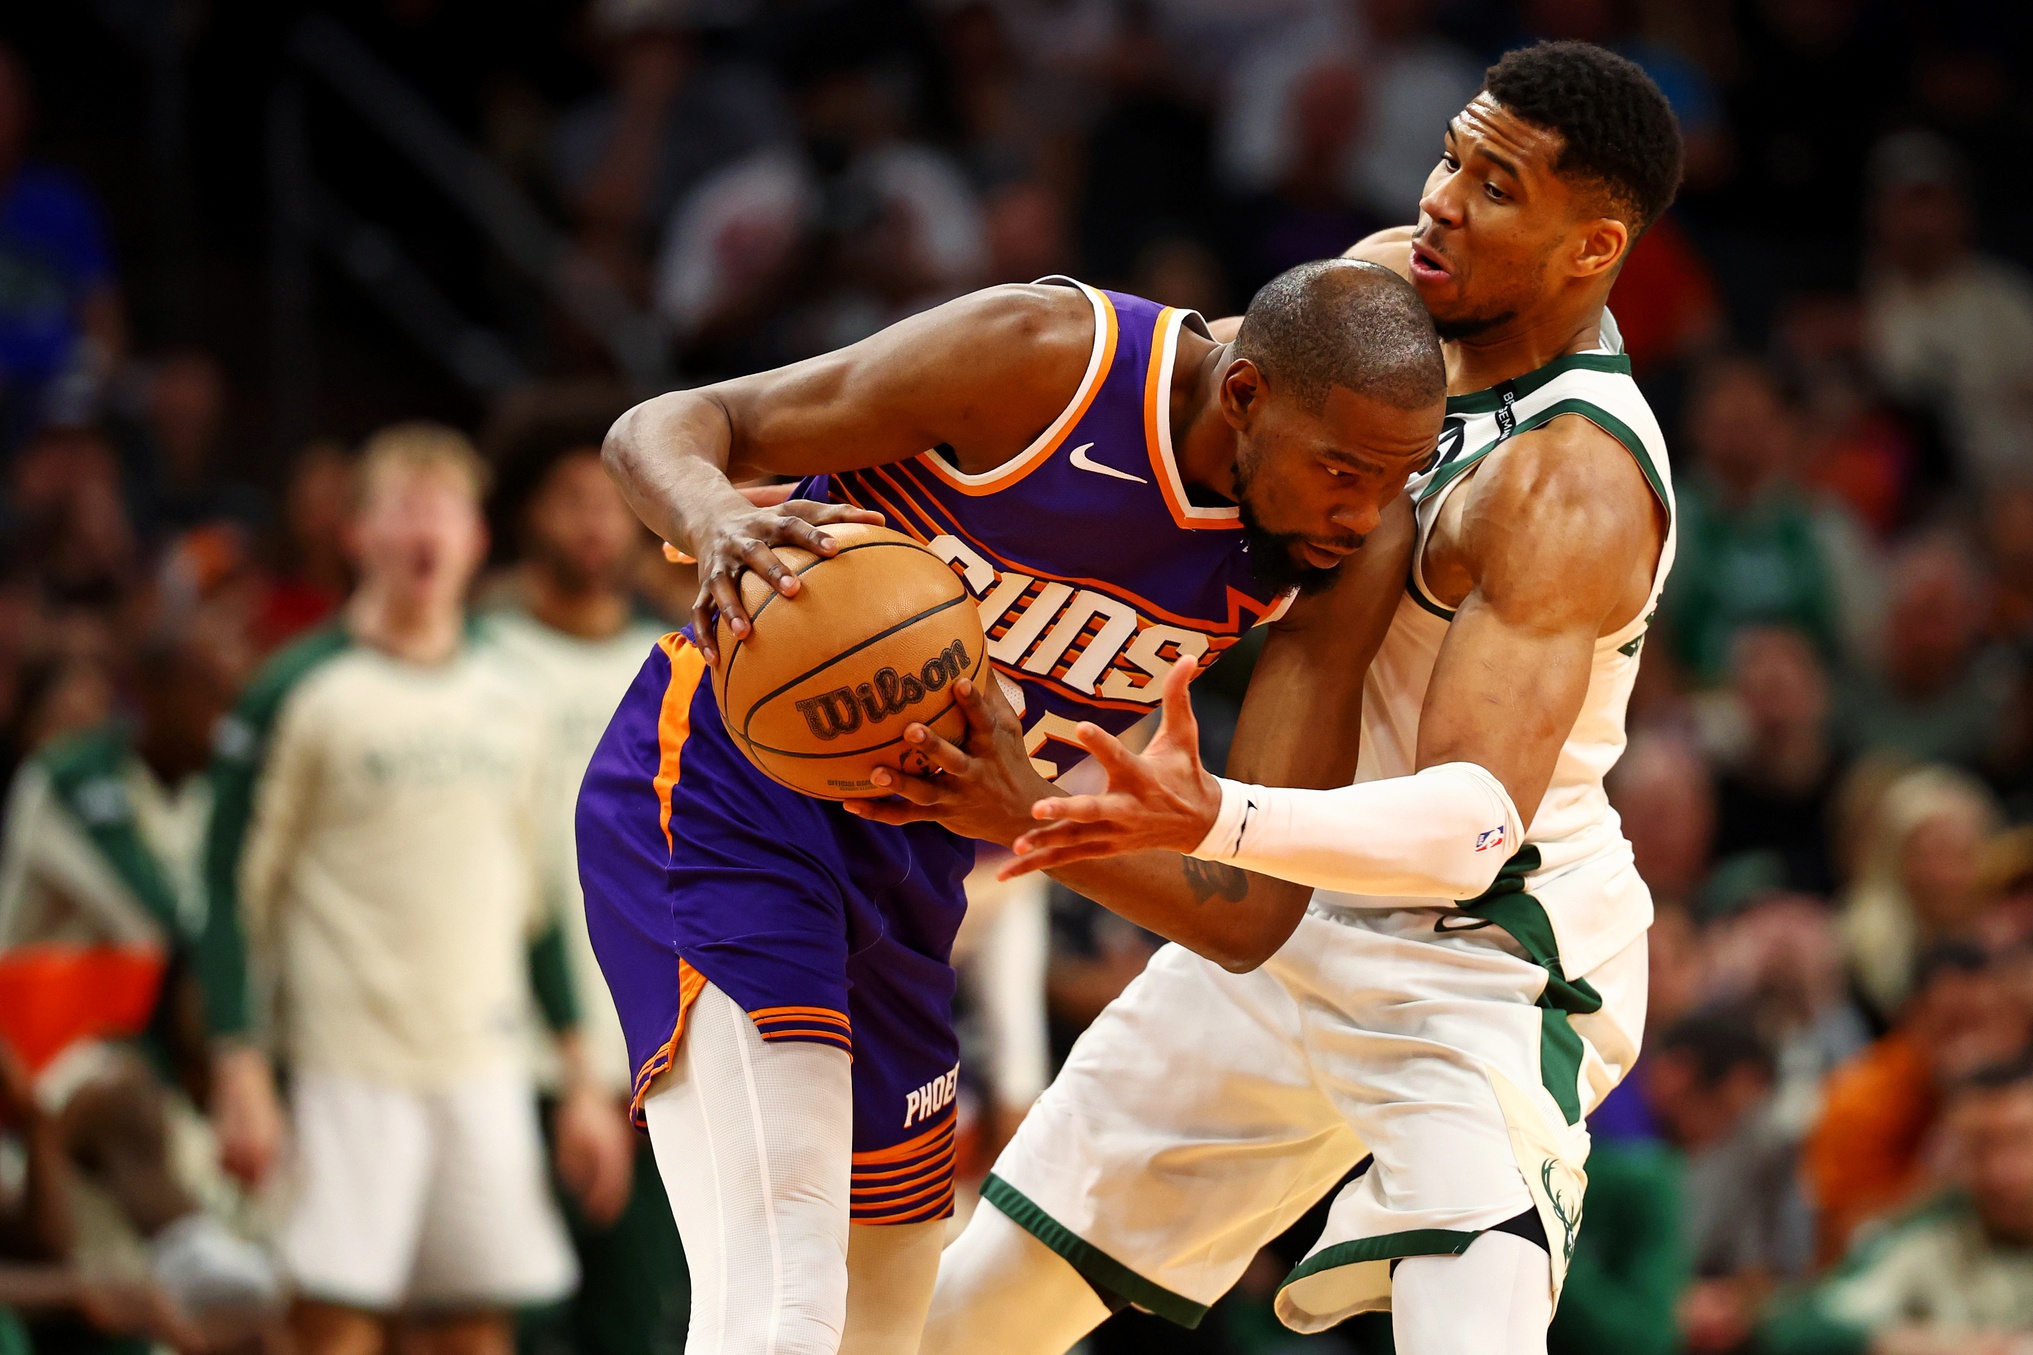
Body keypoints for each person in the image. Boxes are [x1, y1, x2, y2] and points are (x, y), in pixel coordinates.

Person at [881, 40, 1681, 1355]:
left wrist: (1213, 817)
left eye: (1493, 185)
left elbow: (1472, 823)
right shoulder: (1383, 292)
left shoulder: (1571, 482)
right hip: (1289, 920)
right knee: (976, 1315)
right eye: (1448, 154)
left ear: (1590, 246)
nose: (1438, 197)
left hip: (1476, 960)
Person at [582, 256, 1449, 1355]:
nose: (1364, 508)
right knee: (783, 1306)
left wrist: (1022, 815)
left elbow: (1246, 913)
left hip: (917, 871)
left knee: (876, 1328)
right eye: (1340, 467)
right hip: (723, 802)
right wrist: (716, 521)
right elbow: (669, 423)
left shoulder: (1349, 546)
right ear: (1243, 397)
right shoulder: (1043, 361)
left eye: (1396, 474)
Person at [202, 424, 629, 1355]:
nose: (423, 529)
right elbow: (229, 886)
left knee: (478, 1327)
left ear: (478, 539)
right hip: (341, 1063)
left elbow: (538, 903)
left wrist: (579, 1075)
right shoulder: (298, 688)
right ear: (358, 536)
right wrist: (237, 1062)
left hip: (484, 1062)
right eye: (401, 508)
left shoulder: (510, 691)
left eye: (445, 508)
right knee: (333, 1324)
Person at [478, 400, 682, 1355]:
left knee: (647, 1325)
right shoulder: (477, 662)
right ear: (520, 514)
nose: (596, 521)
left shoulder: (685, 663)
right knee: (514, 1323)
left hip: (652, 1045)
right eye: (568, 499)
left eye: (610, 500)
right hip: (505, 1046)